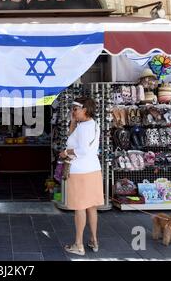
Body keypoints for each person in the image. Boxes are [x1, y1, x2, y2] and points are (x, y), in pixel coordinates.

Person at [59, 97, 104, 256]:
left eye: (75, 109)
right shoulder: (90, 124)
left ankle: (78, 244)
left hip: (80, 171)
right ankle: (93, 240)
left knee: (79, 208)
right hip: (93, 170)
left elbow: (81, 150)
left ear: (85, 109)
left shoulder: (84, 128)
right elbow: (72, 139)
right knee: (91, 207)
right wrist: (73, 122)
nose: (73, 112)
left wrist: (66, 153)